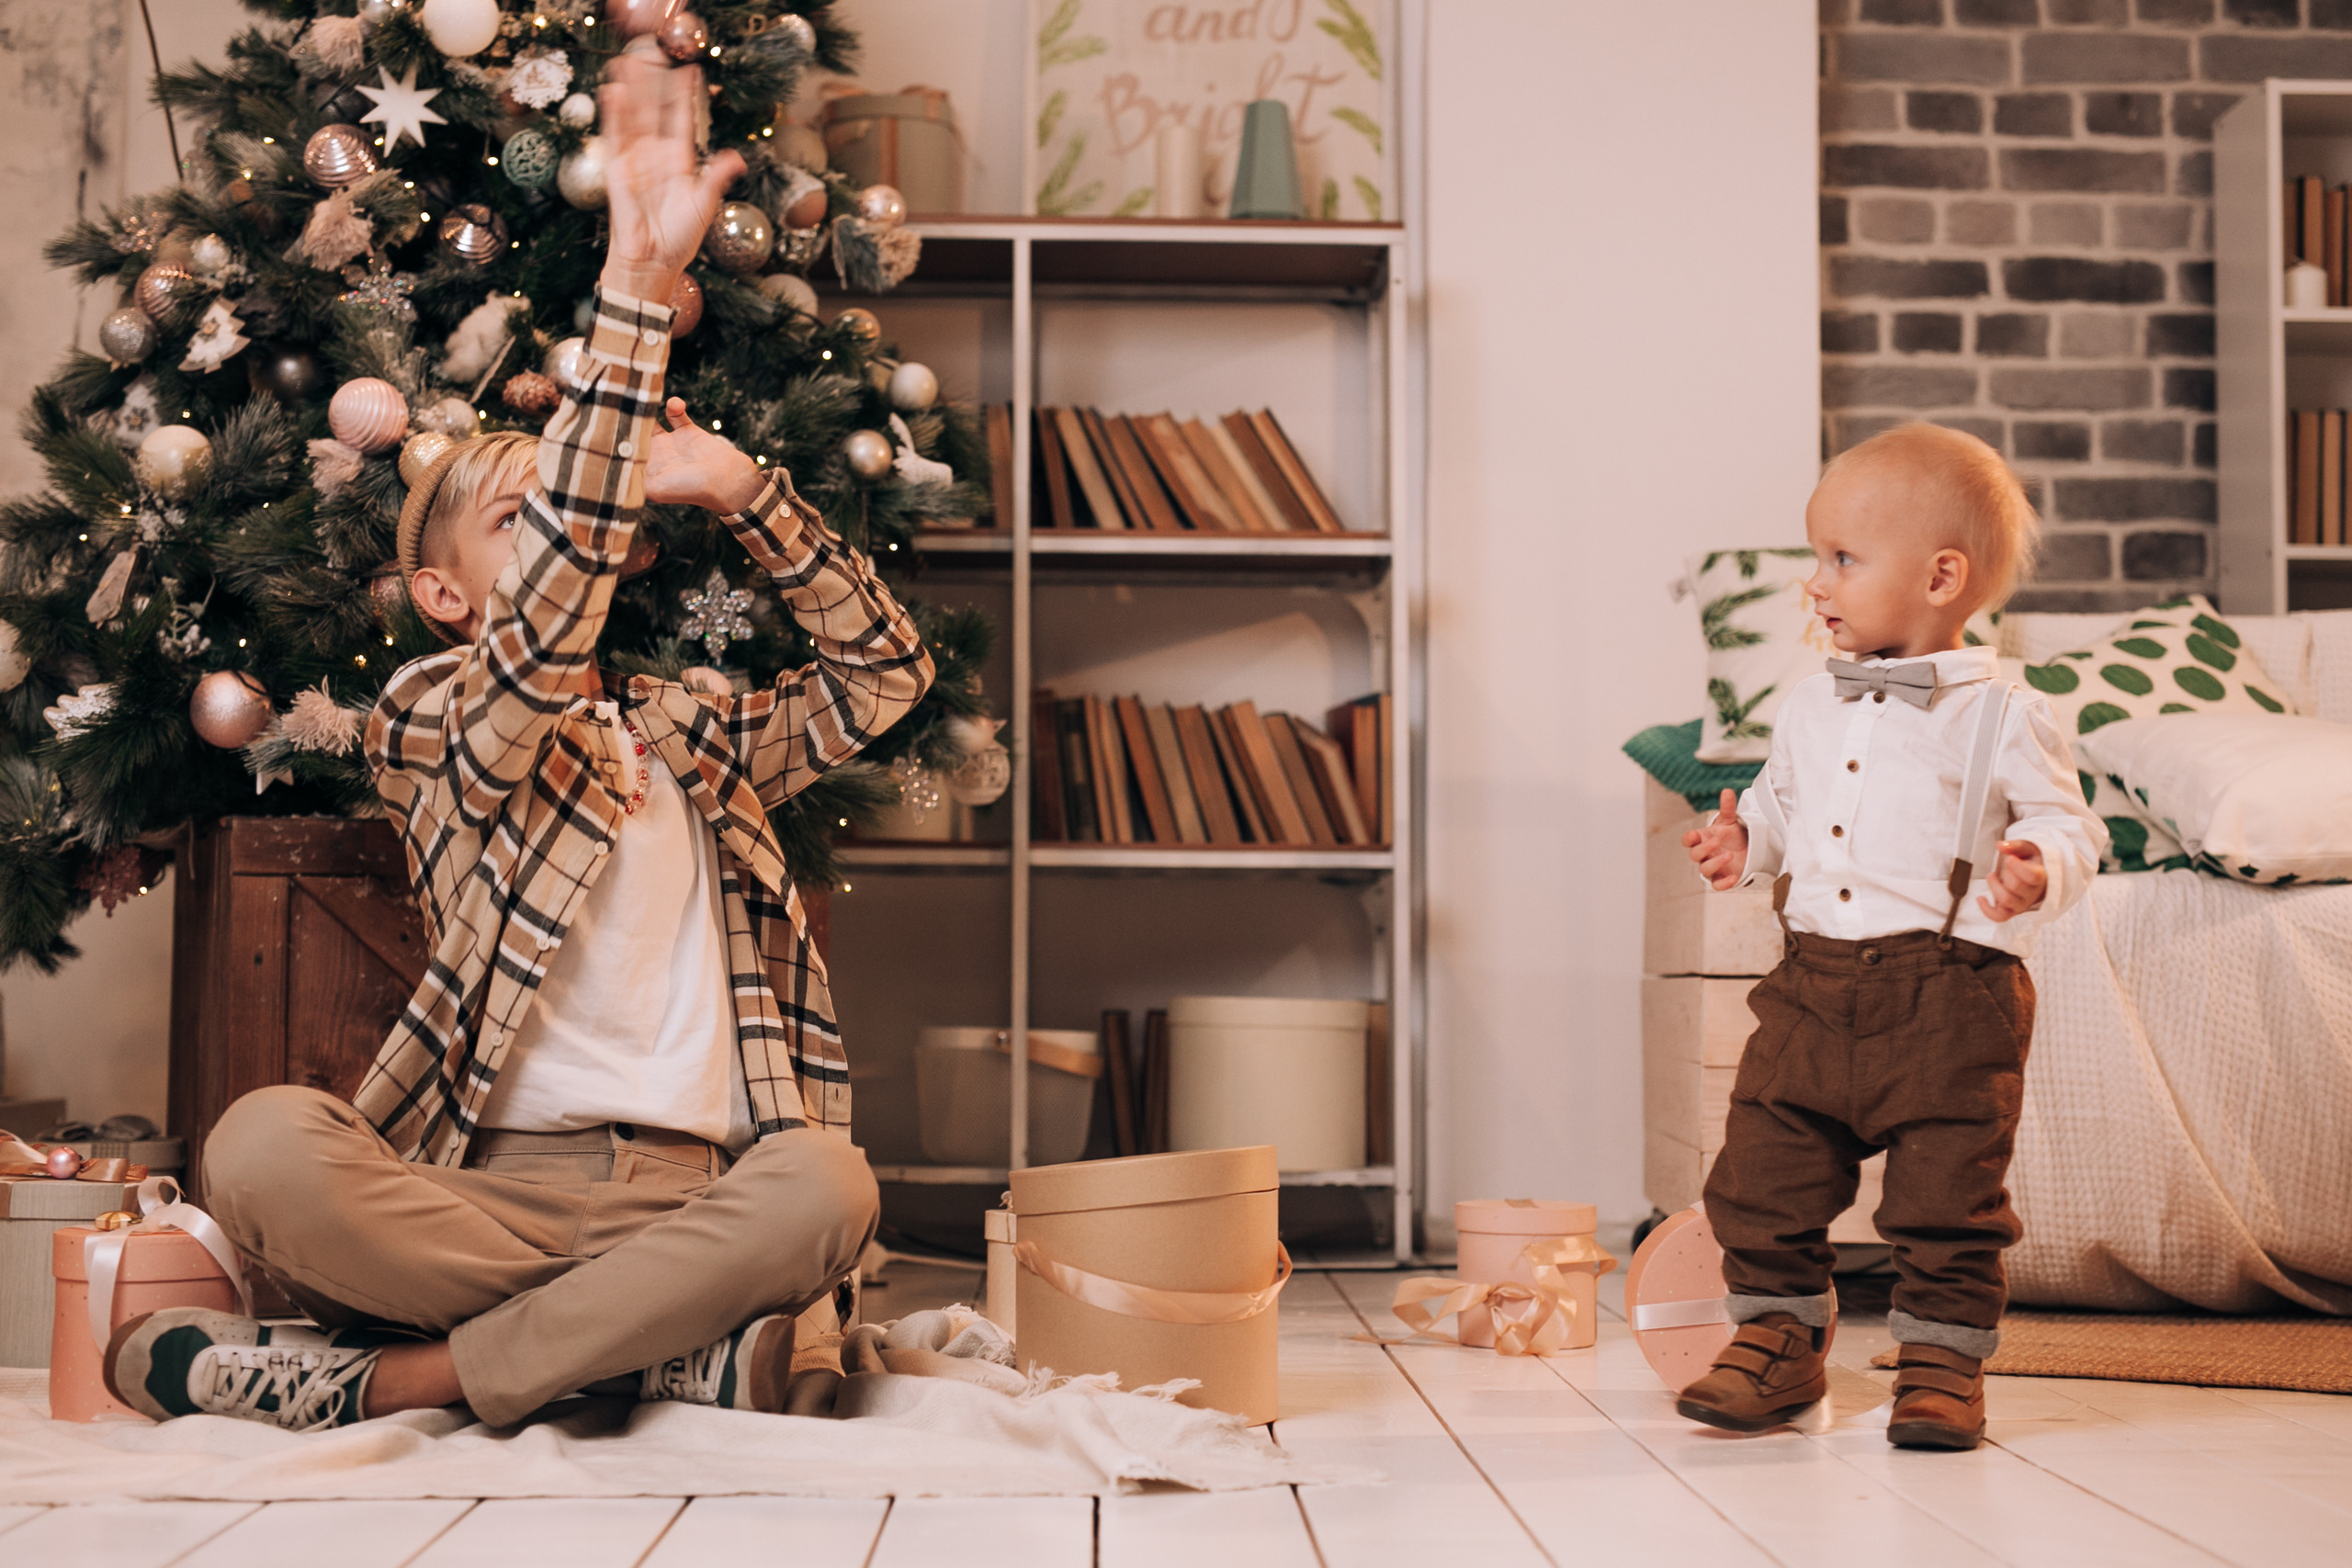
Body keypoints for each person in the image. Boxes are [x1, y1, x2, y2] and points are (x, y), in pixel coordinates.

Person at [103, 51, 933, 1432]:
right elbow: (545, 628)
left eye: (585, 509)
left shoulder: (697, 734)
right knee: (260, 1142)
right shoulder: (438, 713)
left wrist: (746, 489)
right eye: (528, 521)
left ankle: (397, 1376)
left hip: (698, 1187)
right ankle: (662, 1345)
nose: (578, 533)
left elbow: (885, 672)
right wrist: (624, 306)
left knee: (828, 1183)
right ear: (441, 592)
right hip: (473, 1190)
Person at [1673, 422, 2104, 1451]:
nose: (1813, 584)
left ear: (1942, 576)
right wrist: (1744, 846)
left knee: (1947, 1199)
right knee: (1759, 1175)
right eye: (1817, 556)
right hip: (1810, 986)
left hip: (1949, 992)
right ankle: (1775, 1343)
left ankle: (1940, 1365)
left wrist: (2035, 865)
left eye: (1841, 560)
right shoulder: (1806, 708)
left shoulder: (2002, 712)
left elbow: (2066, 822)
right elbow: (1784, 815)